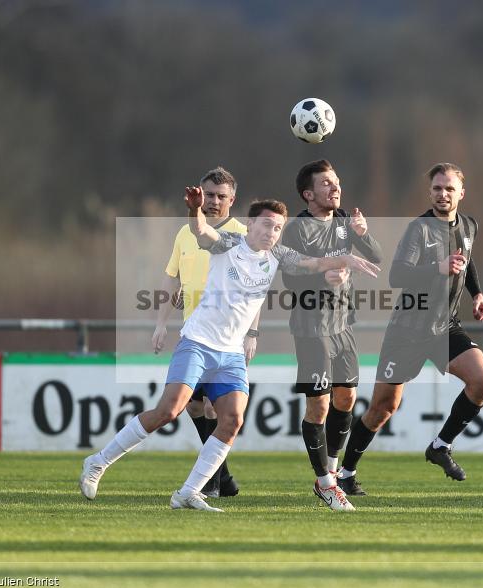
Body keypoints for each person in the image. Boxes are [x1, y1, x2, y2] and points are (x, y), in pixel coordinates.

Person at [80, 188, 380, 512]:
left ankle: (188, 492)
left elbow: (314, 263)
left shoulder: (278, 255)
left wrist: (346, 258)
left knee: (233, 420)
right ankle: (97, 462)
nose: (271, 232)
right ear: (250, 225)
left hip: (231, 354)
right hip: (197, 342)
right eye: (266, 225)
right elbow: (201, 231)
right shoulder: (229, 245)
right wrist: (194, 210)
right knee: (169, 410)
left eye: (277, 227)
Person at [339, 163, 483, 491]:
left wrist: (477, 293)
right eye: (437, 188)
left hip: (445, 327)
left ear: (461, 194)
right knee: (384, 406)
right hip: (408, 329)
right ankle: (346, 473)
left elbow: (467, 259)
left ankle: (441, 445)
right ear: (430, 192)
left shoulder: (469, 225)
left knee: (482, 381)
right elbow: (398, 275)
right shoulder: (419, 229)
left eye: (449, 189)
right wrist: (437, 267)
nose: (443, 194)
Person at [280, 159, 382, 507]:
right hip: (312, 328)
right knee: (319, 406)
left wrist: (363, 233)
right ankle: (325, 482)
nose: (335, 187)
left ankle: (334, 473)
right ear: (308, 194)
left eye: (336, 181)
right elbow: (289, 277)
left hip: (343, 325)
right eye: (326, 183)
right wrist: (321, 277)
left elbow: (376, 257)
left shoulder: (343, 222)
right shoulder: (297, 229)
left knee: (346, 400)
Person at [152, 166, 257, 498]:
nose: (213, 201)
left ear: (232, 199)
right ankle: (222, 477)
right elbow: (173, 278)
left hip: (226, 336)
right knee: (194, 407)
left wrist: (252, 332)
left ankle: (210, 483)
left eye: (220, 196)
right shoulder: (186, 232)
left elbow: (256, 288)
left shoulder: (243, 234)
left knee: (214, 408)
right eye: (209, 195)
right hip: (193, 334)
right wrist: (160, 322)